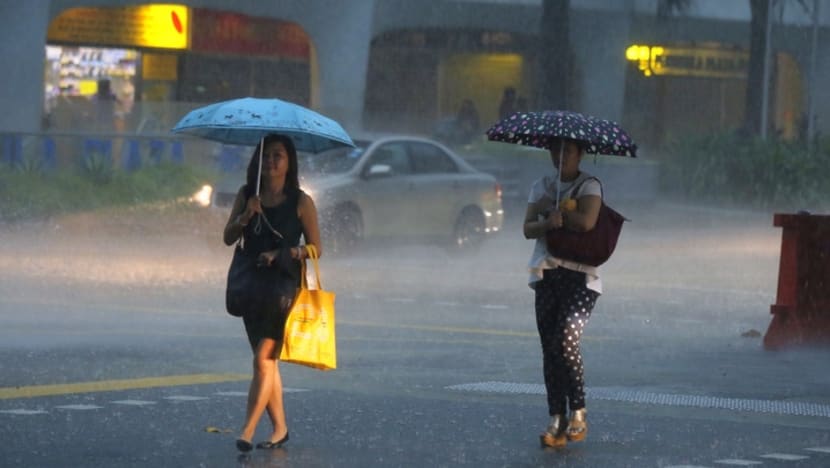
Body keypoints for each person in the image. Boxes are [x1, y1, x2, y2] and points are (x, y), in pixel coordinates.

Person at [223, 133, 322, 452]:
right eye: (266, 155)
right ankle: (280, 428)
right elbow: (227, 237)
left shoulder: (301, 201)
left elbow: (316, 249)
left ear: (289, 162)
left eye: (278, 155)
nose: (271, 161)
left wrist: (284, 255)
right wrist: (245, 215)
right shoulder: (246, 194)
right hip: (251, 286)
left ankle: (247, 430)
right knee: (265, 362)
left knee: (263, 358)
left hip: (283, 287)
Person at [522, 137, 603, 448]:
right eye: (555, 150)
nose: (560, 156)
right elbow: (528, 228)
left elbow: (587, 222)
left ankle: (578, 410)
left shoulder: (589, 185)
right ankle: (556, 417)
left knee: (566, 341)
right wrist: (546, 221)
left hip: (581, 276)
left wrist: (559, 213)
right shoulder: (541, 186)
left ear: (580, 154)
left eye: (567, 151)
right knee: (549, 348)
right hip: (547, 272)